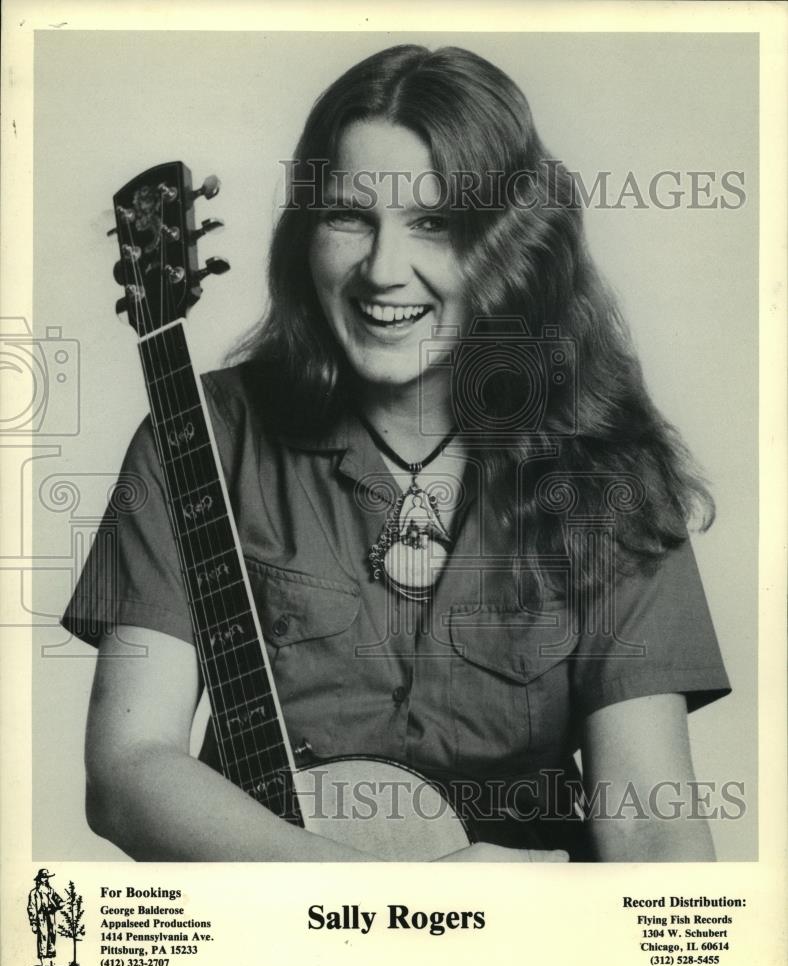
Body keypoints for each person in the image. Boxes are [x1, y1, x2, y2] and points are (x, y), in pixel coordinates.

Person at [62, 44, 730, 862]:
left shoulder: (609, 468)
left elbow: (649, 820)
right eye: (350, 216)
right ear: (307, 232)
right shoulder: (200, 436)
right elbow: (130, 768)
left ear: (509, 245)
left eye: (435, 223)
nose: (384, 271)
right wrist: (373, 901)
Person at [27, 869, 64, 966]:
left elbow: (58, 901)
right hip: (41, 917)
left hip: (51, 916)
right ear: (39, 879)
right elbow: (31, 908)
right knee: (43, 938)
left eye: (47, 877)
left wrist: (64, 903)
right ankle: (44, 964)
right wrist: (33, 923)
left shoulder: (50, 890)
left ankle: (52, 963)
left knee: (52, 936)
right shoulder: (34, 892)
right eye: (44, 877)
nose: (46, 879)